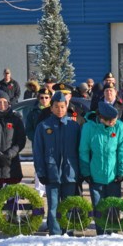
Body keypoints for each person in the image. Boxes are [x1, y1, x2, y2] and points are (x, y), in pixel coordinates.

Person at [33, 92, 82, 235]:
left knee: (68, 205)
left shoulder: (74, 126)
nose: (60, 110)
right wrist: (41, 172)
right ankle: (55, 233)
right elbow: (38, 152)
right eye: (56, 107)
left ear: (66, 107)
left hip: (70, 173)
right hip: (51, 173)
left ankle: (69, 232)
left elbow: (80, 151)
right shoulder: (43, 127)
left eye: (62, 107)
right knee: (53, 206)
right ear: (51, 108)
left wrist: (79, 172)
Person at [79, 101, 123, 234]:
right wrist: (86, 172)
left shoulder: (119, 127)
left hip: (113, 176)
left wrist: (121, 171)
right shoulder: (89, 127)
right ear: (101, 118)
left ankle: (113, 234)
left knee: (113, 208)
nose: (113, 122)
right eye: (110, 121)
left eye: (115, 119)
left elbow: (122, 151)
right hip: (96, 174)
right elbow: (84, 150)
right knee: (99, 207)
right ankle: (101, 234)